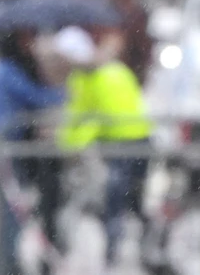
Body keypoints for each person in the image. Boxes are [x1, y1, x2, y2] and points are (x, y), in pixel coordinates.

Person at [53, 25, 153, 267]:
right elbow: (78, 114)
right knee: (121, 199)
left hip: (130, 143)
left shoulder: (108, 75)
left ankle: (124, 250)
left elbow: (98, 119)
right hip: (120, 144)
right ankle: (131, 246)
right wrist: (64, 140)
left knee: (122, 199)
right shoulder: (85, 77)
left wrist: (68, 143)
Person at [0, 29, 68, 275]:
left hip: (9, 153)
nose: (33, 45)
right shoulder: (7, 70)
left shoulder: (7, 68)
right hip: (3, 155)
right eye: (28, 39)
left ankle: (8, 268)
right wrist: (66, 90)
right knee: (10, 223)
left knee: (14, 222)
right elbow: (37, 97)